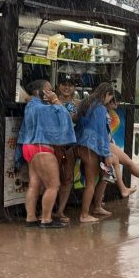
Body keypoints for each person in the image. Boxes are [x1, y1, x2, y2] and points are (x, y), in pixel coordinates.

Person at [17, 79, 76, 228]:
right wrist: (56, 101)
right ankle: (46, 219)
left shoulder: (31, 106)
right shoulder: (44, 109)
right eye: (49, 89)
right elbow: (65, 115)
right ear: (39, 91)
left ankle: (30, 218)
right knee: (53, 185)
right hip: (42, 147)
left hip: (28, 146)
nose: (52, 92)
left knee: (34, 185)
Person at [74, 82, 115, 223]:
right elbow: (102, 133)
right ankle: (84, 215)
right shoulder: (100, 109)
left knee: (88, 181)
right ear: (107, 94)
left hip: (80, 144)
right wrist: (107, 154)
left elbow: (78, 123)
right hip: (91, 147)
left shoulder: (85, 103)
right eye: (110, 97)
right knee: (91, 183)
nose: (110, 101)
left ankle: (86, 212)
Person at [53, 72, 81, 223]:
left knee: (67, 177)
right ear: (58, 86)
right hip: (53, 143)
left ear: (74, 87)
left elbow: (78, 119)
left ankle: (60, 211)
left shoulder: (78, 104)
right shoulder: (51, 101)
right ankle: (47, 209)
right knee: (51, 176)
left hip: (70, 144)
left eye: (70, 85)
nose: (67, 88)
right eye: (64, 84)